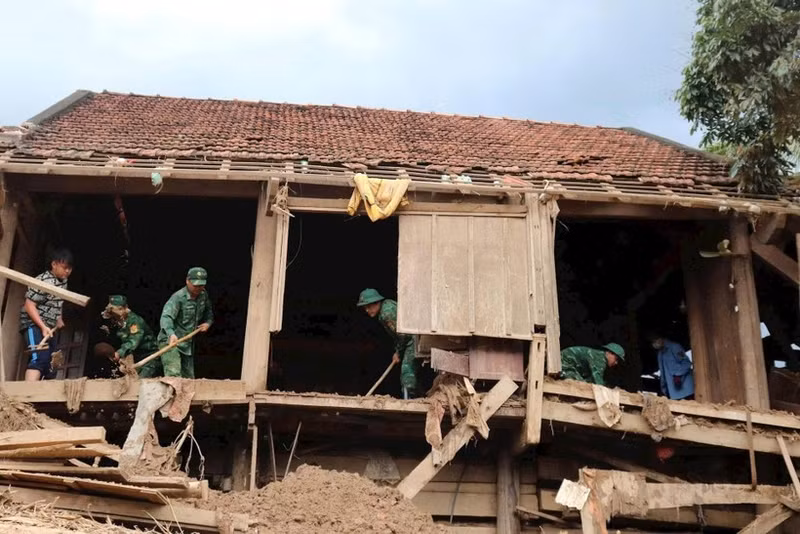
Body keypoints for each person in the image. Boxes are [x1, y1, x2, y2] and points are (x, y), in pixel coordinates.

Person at [20, 248, 73, 381]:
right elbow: (29, 305)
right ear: (54, 264)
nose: (67, 271)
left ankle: (43, 392)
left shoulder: (63, 281)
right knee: (39, 359)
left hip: (49, 326)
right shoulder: (43, 281)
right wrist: (42, 327)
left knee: (52, 364)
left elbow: (57, 301)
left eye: (70, 268)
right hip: (33, 324)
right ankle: (28, 392)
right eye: (65, 267)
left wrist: (59, 318)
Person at [357, 288, 418, 399]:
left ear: (376, 302)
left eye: (369, 306)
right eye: (365, 308)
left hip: (413, 339)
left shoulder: (386, 313)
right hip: (410, 339)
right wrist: (397, 351)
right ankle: (414, 396)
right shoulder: (386, 306)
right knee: (410, 370)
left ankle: (409, 401)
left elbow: (403, 335)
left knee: (407, 371)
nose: (367, 310)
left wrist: (398, 352)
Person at [156, 267, 213, 378]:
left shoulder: (203, 295)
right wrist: (171, 334)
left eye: (201, 285)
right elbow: (166, 317)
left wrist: (208, 323)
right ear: (187, 281)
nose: (198, 288)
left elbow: (208, 312)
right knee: (174, 375)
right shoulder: (178, 298)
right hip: (170, 341)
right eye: (195, 285)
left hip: (187, 343)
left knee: (189, 379)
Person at [96, 295, 160, 377]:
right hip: (135, 357)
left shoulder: (134, 321)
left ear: (123, 308)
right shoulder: (116, 320)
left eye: (117, 309)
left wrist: (120, 353)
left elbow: (134, 341)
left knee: (141, 379)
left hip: (149, 357)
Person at [649, 333, 694, 400]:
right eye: (652, 342)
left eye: (655, 340)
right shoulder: (660, 354)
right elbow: (663, 373)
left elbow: (686, 363)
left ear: (661, 338)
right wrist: (663, 388)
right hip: (672, 392)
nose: (654, 344)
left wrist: (678, 375)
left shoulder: (675, 347)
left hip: (686, 389)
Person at [560, 342, 625, 386]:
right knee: (580, 384)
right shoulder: (600, 359)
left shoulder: (599, 356)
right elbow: (598, 382)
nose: (616, 362)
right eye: (616, 359)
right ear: (609, 353)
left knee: (586, 382)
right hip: (566, 362)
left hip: (571, 364)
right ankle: (563, 374)